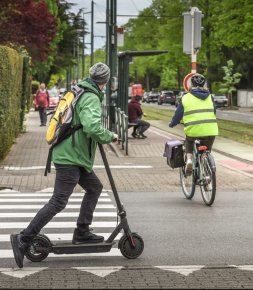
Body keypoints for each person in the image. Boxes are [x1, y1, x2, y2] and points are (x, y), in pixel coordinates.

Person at [10, 62, 118, 268]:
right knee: (58, 201)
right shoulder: (91, 97)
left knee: (94, 188)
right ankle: (24, 238)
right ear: (105, 81)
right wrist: (110, 135)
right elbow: (92, 127)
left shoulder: (82, 91)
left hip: (74, 156)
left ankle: (82, 232)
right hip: (70, 157)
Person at [169, 73, 219, 175]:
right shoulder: (210, 97)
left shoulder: (185, 97)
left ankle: (189, 160)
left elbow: (178, 115)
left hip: (193, 130)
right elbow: (214, 111)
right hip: (211, 130)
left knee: (189, 140)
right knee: (207, 150)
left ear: (190, 85)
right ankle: (207, 167)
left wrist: (173, 123)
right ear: (205, 85)